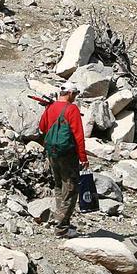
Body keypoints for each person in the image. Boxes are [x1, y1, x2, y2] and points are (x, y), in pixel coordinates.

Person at [37, 83, 89, 237]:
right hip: (68, 154)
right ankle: (62, 227)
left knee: (59, 185)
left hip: (52, 152)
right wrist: (83, 158)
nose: (76, 97)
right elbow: (78, 136)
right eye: (76, 94)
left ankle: (60, 218)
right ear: (70, 93)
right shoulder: (72, 109)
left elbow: (42, 127)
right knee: (71, 187)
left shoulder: (51, 107)